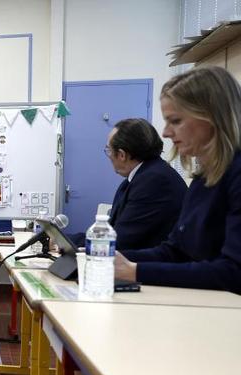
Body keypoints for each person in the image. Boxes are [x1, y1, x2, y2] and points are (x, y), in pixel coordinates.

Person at [115, 66, 241, 294]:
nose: (165, 133)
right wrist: (101, 256)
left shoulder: (236, 175)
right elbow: (175, 252)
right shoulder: (203, 179)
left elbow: (233, 273)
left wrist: (135, 271)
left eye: (175, 121)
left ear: (211, 117)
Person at [69, 118, 188, 250]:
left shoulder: (153, 181)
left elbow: (120, 241)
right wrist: (68, 240)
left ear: (121, 155)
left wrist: (69, 242)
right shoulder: (139, 178)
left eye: (108, 150)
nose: (108, 155)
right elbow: (109, 233)